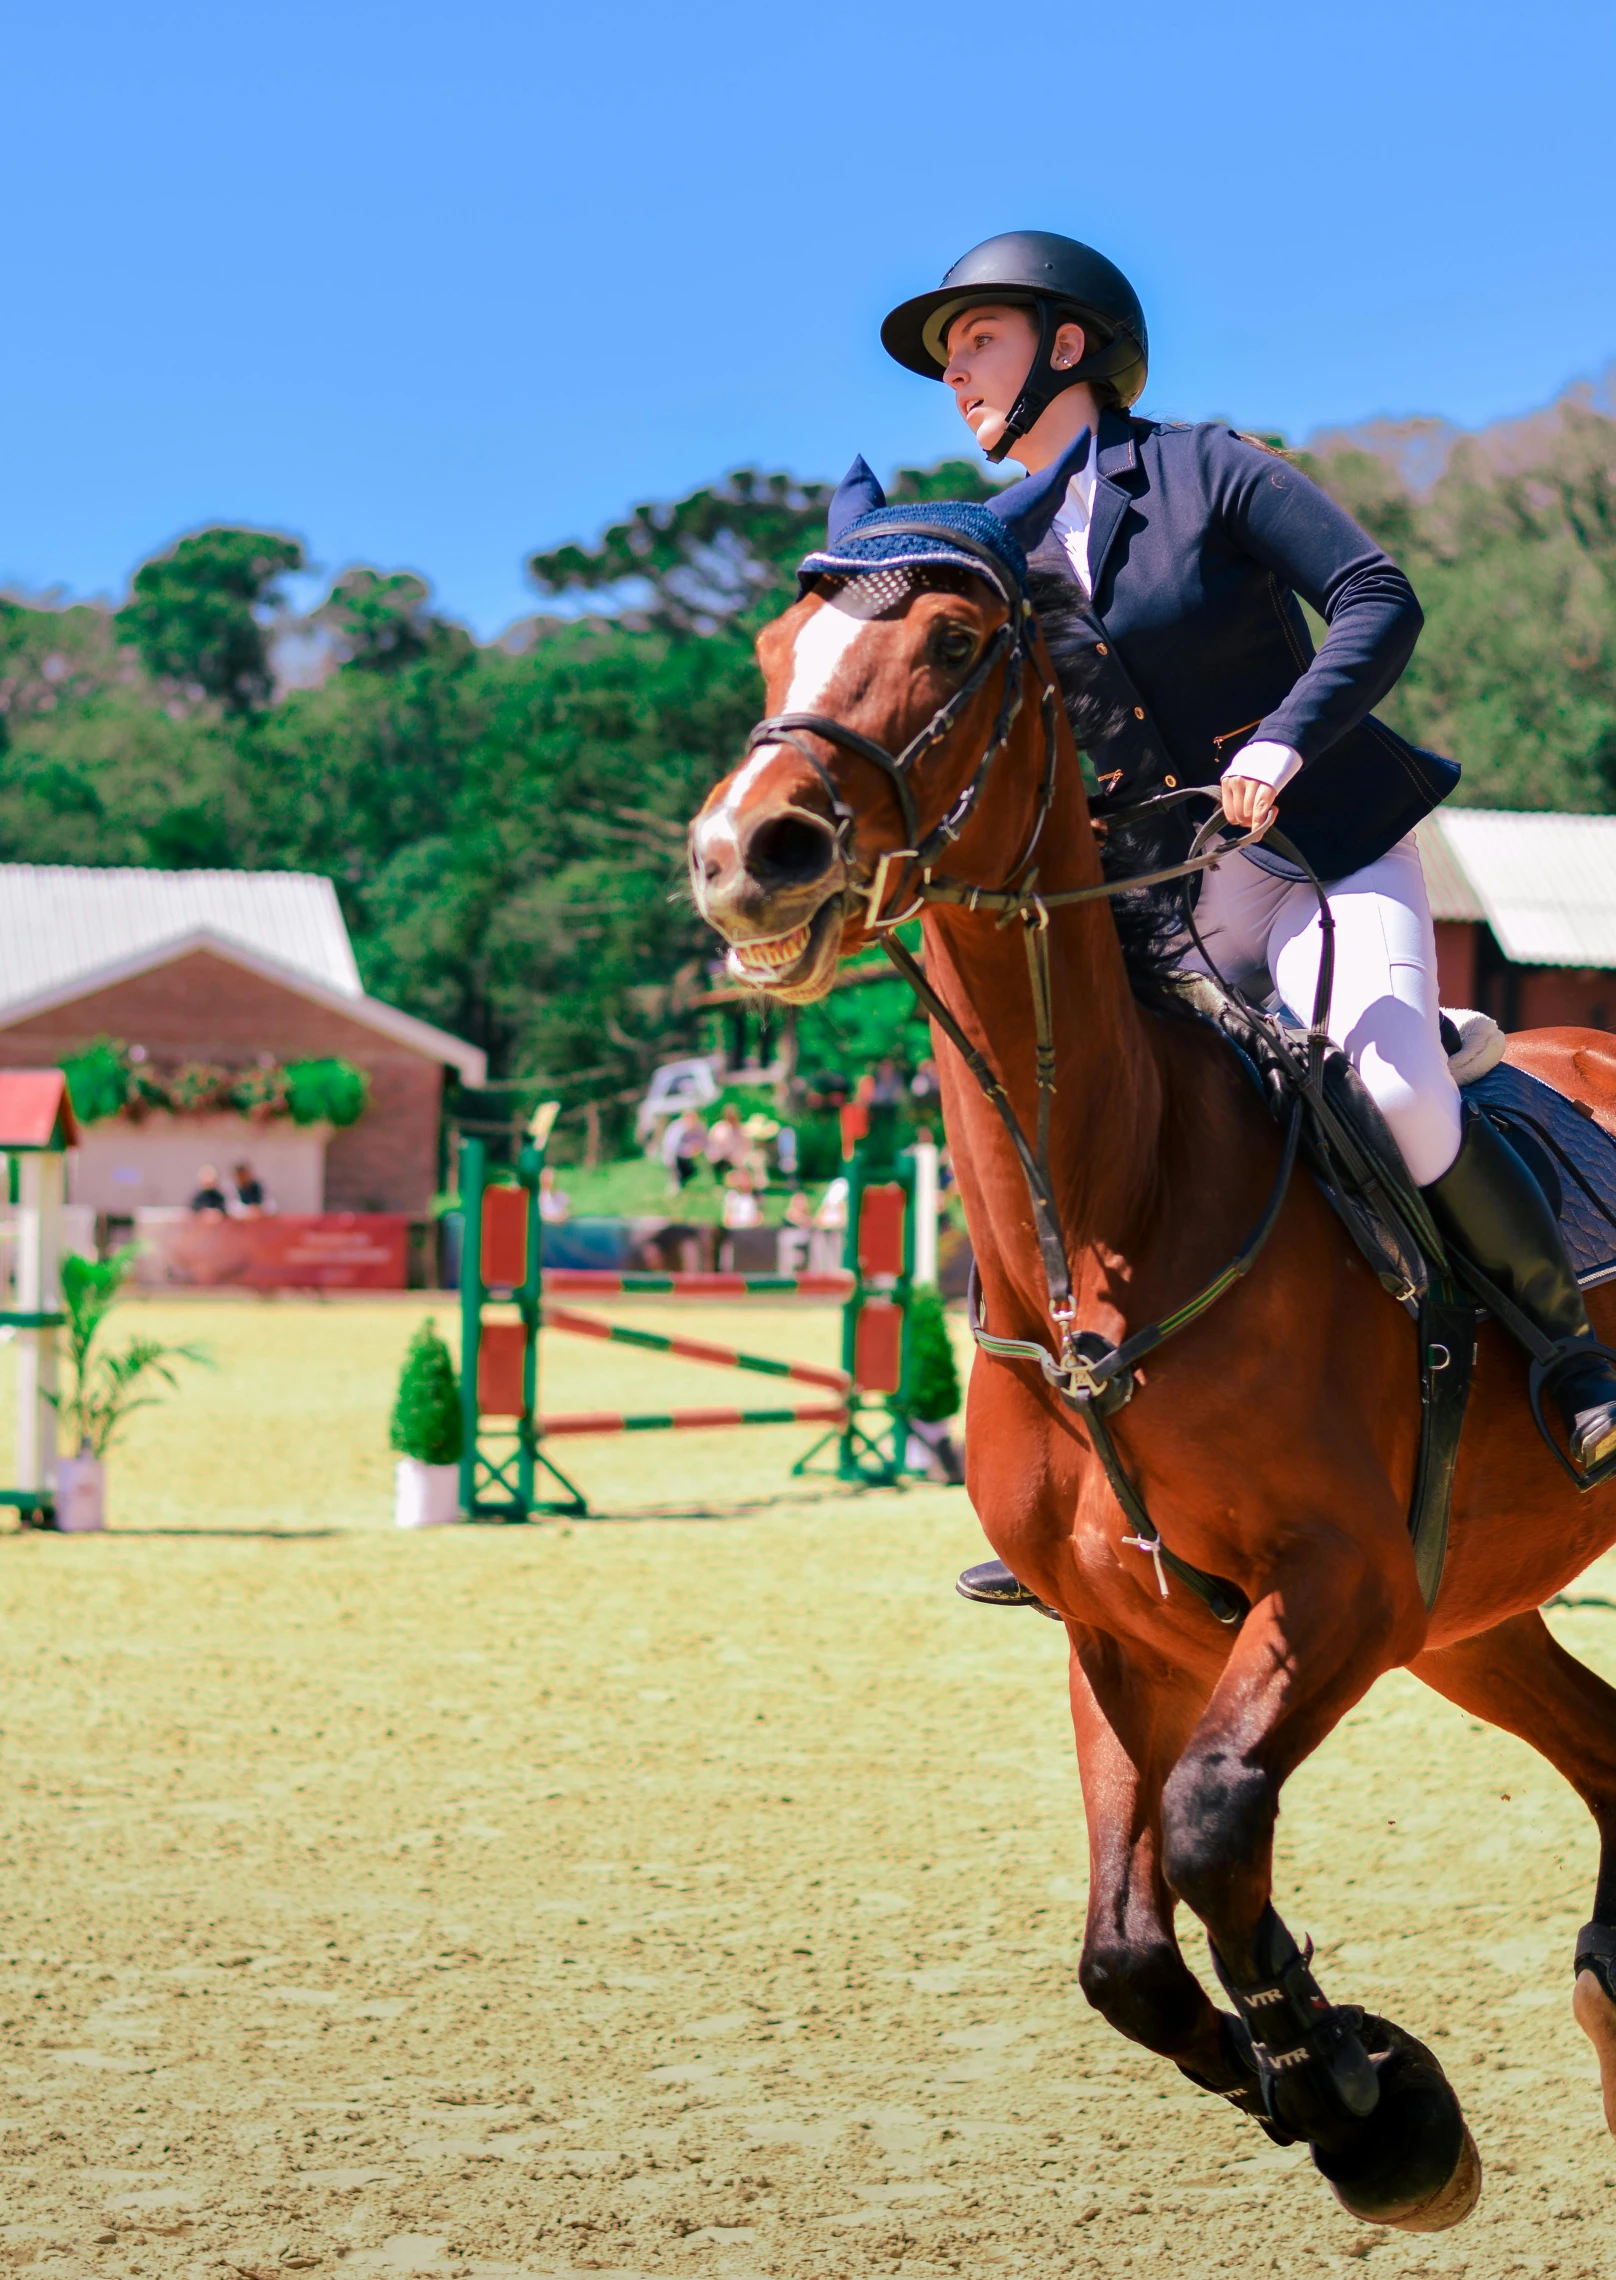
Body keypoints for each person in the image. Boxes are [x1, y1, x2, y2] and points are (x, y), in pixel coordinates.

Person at [877, 228, 1616, 1476]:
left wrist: (1281, 741)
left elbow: (1377, 596)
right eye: (947, 356)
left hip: (1315, 856)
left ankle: (1570, 1358)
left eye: (977, 341)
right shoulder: (988, 549)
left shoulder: (1201, 468)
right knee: (1052, 1131)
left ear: (1070, 346)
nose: (955, 374)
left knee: (1387, 1088)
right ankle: (1061, 1457)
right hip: (1155, 908)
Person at [662, 1106, 709, 1192]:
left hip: (694, 1156)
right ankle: (676, 1182)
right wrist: (689, 1149)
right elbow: (672, 1148)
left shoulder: (699, 1127)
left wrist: (698, 1147)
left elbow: (705, 1142)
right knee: (677, 1166)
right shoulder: (677, 1129)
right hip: (676, 1158)